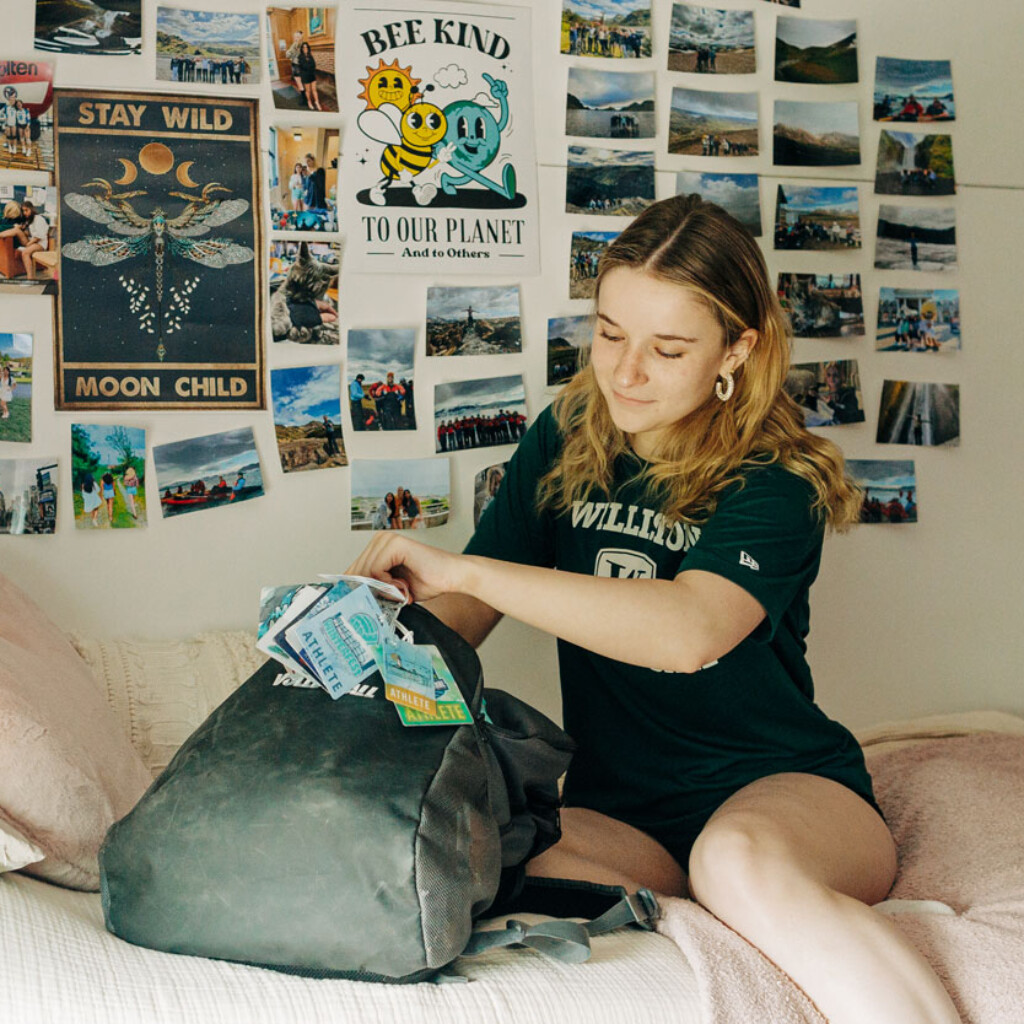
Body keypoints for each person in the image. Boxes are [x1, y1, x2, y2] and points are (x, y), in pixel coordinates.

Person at [347, 195, 961, 1024]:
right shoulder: (566, 435)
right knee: (447, 851)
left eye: (668, 349)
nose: (626, 373)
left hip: (780, 790)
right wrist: (366, 628)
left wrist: (469, 570)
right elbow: (461, 616)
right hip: (621, 811)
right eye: (610, 334)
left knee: (734, 863)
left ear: (737, 349)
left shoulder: (780, 477)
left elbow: (689, 631)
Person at [0, 200, 49, 279]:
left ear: (31, 209)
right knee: (16, 230)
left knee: (25, 252)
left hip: (38, 243)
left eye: (26, 210)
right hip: (30, 241)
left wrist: (28, 245)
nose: (24, 213)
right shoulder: (28, 219)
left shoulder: (39, 219)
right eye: (23, 211)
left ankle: (30, 278)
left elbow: (38, 237)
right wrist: (24, 230)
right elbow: (30, 233)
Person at [295, 42, 322, 112]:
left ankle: (317, 102)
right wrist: (309, 66)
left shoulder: (310, 56)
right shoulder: (300, 57)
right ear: (302, 49)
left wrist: (309, 67)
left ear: (308, 48)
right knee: (308, 91)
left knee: (314, 90)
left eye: (306, 47)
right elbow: (304, 66)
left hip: (312, 75)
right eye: (304, 47)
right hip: (305, 76)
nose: (305, 48)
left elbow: (314, 65)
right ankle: (309, 102)